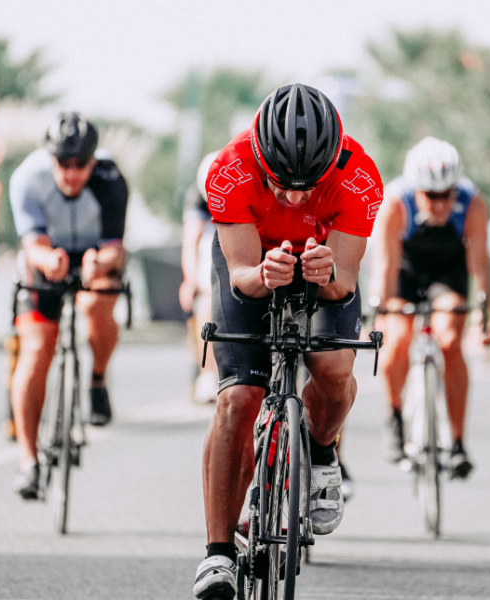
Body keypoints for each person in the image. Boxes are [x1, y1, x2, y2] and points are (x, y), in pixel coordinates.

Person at [193, 84, 382, 600]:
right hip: (256, 262)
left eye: (309, 186)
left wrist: (328, 273)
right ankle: (218, 553)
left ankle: (322, 453)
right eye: (282, 184)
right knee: (238, 398)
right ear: (260, 158)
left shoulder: (360, 177)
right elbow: (240, 276)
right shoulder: (230, 169)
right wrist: (262, 272)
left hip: (324, 264)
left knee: (334, 368)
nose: (296, 198)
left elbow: (345, 282)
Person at [8, 112, 128, 500]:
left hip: (95, 257)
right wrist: (50, 262)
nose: (72, 173)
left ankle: (97, 378)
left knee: (98, 304)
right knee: (37, 348)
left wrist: (99, 263)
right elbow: (32, 245)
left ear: (93, 161)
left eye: (81, 164)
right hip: (48, 256)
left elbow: (116, 249)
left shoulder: (110, 178)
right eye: (63, 163)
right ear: (51, 158)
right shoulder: (28, 179)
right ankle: (28, 462)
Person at [369, 136, 490, 480]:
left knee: (450, 339)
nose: (440, 204)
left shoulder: (473, 204)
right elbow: (385, 266)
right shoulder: (396, 203)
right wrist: (379, 316)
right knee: (397, 337)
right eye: (431, 195)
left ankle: (457, 443)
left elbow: (480, 266)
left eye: (447, 194)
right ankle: (394, 416)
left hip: (447, 274)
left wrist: (483, 318)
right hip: (406, 273)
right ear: (416, 190)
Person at [180, 152, 220, 404]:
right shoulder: (196, 195)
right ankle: (207, 373)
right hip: (212, 242)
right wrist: (191, 280)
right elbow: (191, 240)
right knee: (207, 297)